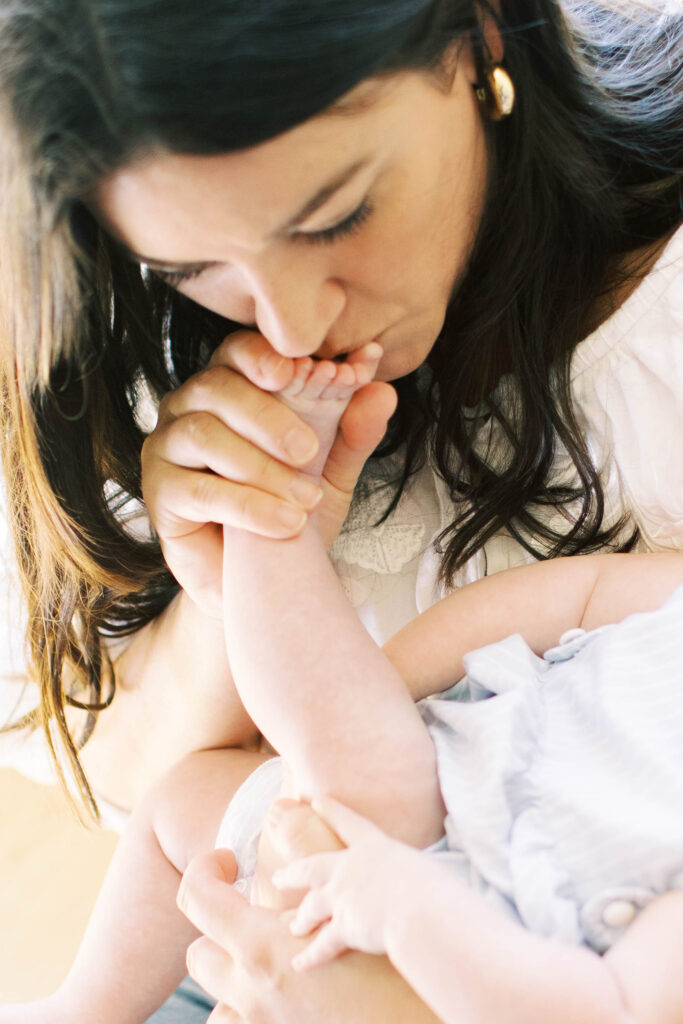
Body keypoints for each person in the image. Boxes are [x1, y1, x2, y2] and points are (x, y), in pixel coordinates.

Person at [0, 0, 680, 1021]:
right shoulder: (150, 347)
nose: (291, 321)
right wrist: (250, 577)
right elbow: (153, 785)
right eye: (194, 267)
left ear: (480, 33)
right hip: (271, 916)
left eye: (334, 216)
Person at [3, 352, 682, 1024]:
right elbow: (573, 595)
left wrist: (410, 914)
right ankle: (83, 1007)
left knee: (371, 778)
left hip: (487, 944)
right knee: (191, 798)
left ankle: (272, 504)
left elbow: (615, 1007)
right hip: (432, 781)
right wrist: (377, 686)